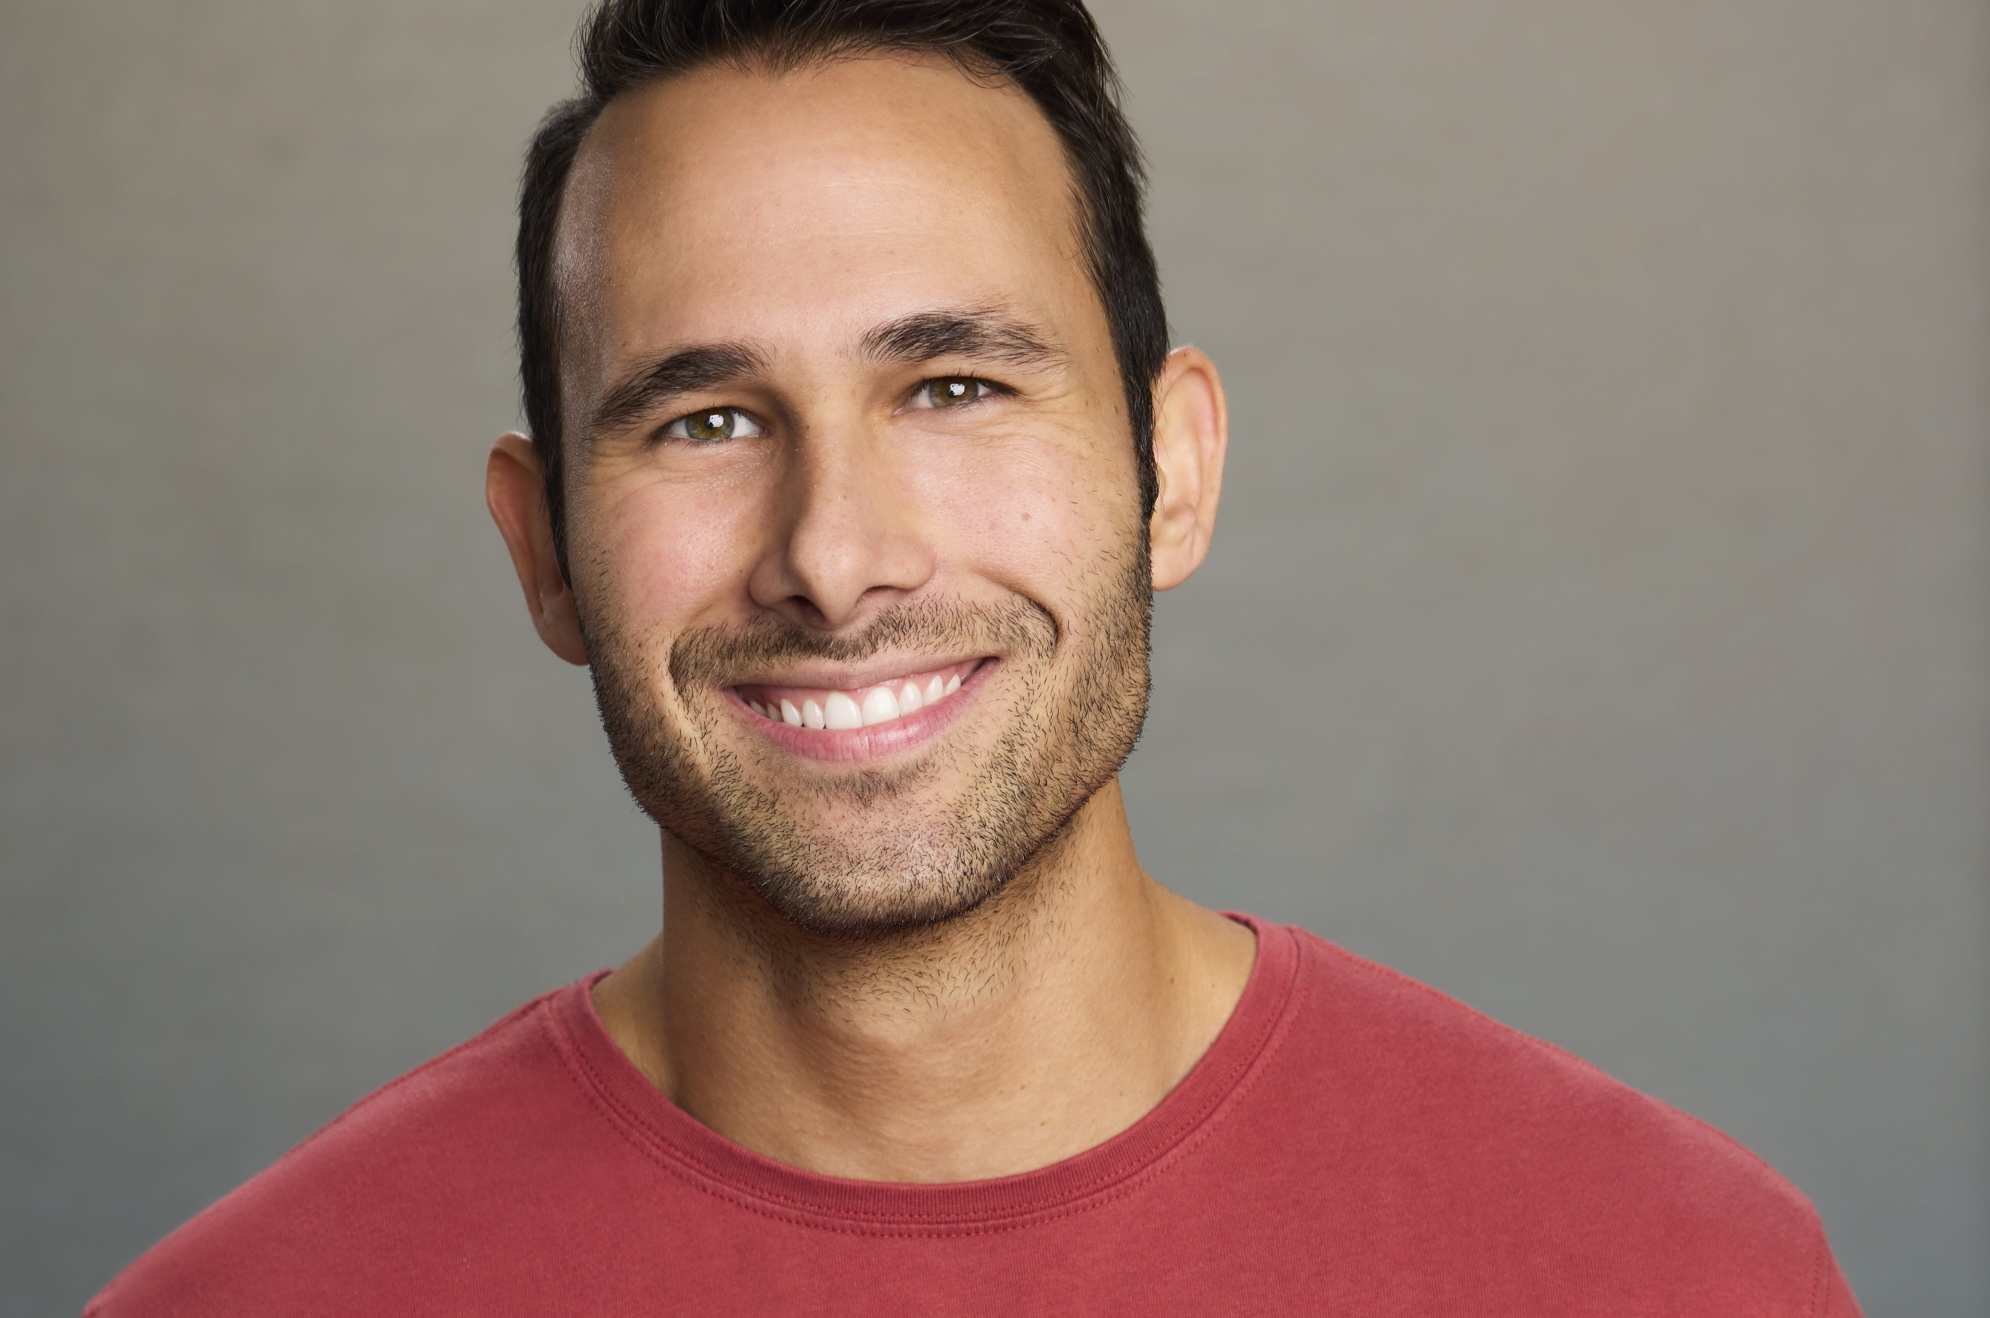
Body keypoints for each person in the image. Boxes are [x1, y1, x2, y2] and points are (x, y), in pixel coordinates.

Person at [90, 0, 1863, 1312]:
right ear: (541, 547)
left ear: (1173, 469)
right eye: (703, 418)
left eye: (953, 386)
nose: (835, 559)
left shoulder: (1670, 1269)